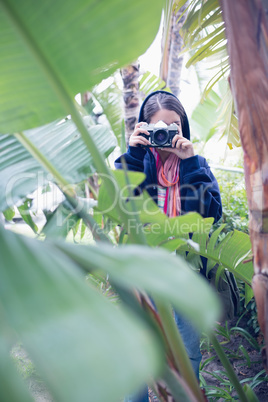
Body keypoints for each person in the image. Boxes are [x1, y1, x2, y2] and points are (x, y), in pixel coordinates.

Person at [114, 90, 222, 402]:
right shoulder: (134, 162)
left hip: (184, 275)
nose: (166, 135)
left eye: (173, 127)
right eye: (158, 128)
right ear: (144, 129)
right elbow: (118, 206)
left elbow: (209, 214)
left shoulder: (196, 164)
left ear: (183, 128)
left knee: (188, 352)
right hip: (141, 274)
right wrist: (134, 156)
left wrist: (189, 164)